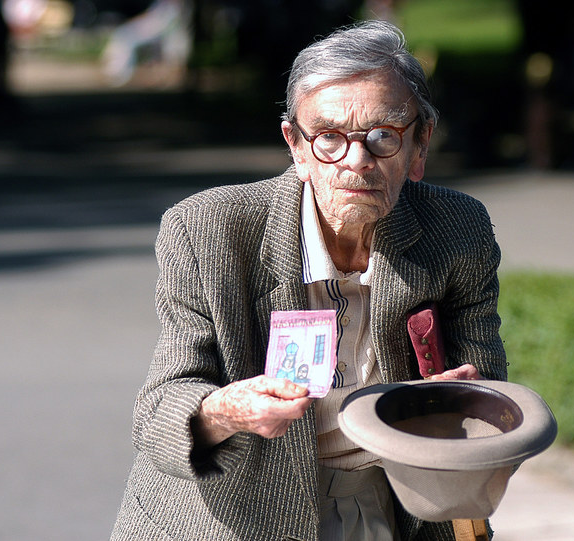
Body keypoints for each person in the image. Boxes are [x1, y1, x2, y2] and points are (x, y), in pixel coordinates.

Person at [111, 19, 508, 541]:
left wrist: (459, 401)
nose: (357, 160)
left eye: (384, 137)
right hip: (229, 513)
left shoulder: (457, 229)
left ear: (420, 145)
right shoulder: (208, 230)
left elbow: (492, 393)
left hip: (393, 501)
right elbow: (158, 414)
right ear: (296, 147)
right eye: (328, 139)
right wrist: (227, 410)